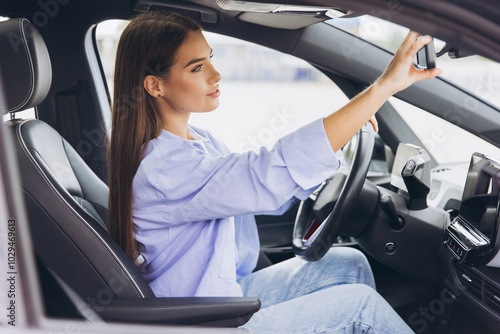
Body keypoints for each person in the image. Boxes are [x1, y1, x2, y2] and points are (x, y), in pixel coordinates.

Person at [108, 11, 441, 333]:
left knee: (348, 264)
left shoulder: (198, 142)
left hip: (222, 295)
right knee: (360, 308)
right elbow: (265, 176)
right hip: (201, 320)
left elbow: (262, 191)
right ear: (155, 86)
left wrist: (342, 134)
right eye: (197, 68)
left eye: (210, 58)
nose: (216, 74)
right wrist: (383, 87)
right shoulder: (165, 169)